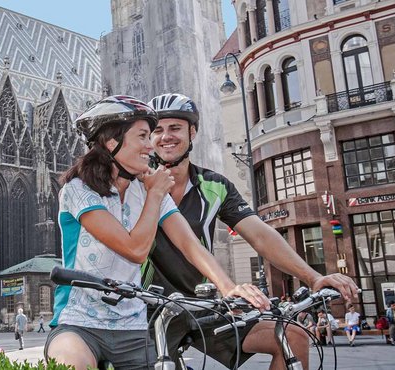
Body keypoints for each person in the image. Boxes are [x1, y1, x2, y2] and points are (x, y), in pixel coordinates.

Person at [45, 96, 271, 370]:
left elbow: (190, 244)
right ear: (112, 142)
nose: (150, 145)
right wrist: (154, 194)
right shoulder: (79, 189)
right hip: (78, 323)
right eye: (142, 136)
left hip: (133, 327)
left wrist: (229, 288)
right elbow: (134, 250)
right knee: (73, 365)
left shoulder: (149, 188)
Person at [143, 93, 360, 368]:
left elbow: (260, 235)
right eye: (157, 130)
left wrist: (313, 277)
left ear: (192, 132)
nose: (166, 137)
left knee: (292, 337)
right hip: (147, 306)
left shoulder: (215, 185)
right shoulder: (138, 180)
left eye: (175, 128)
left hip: (202, 303)